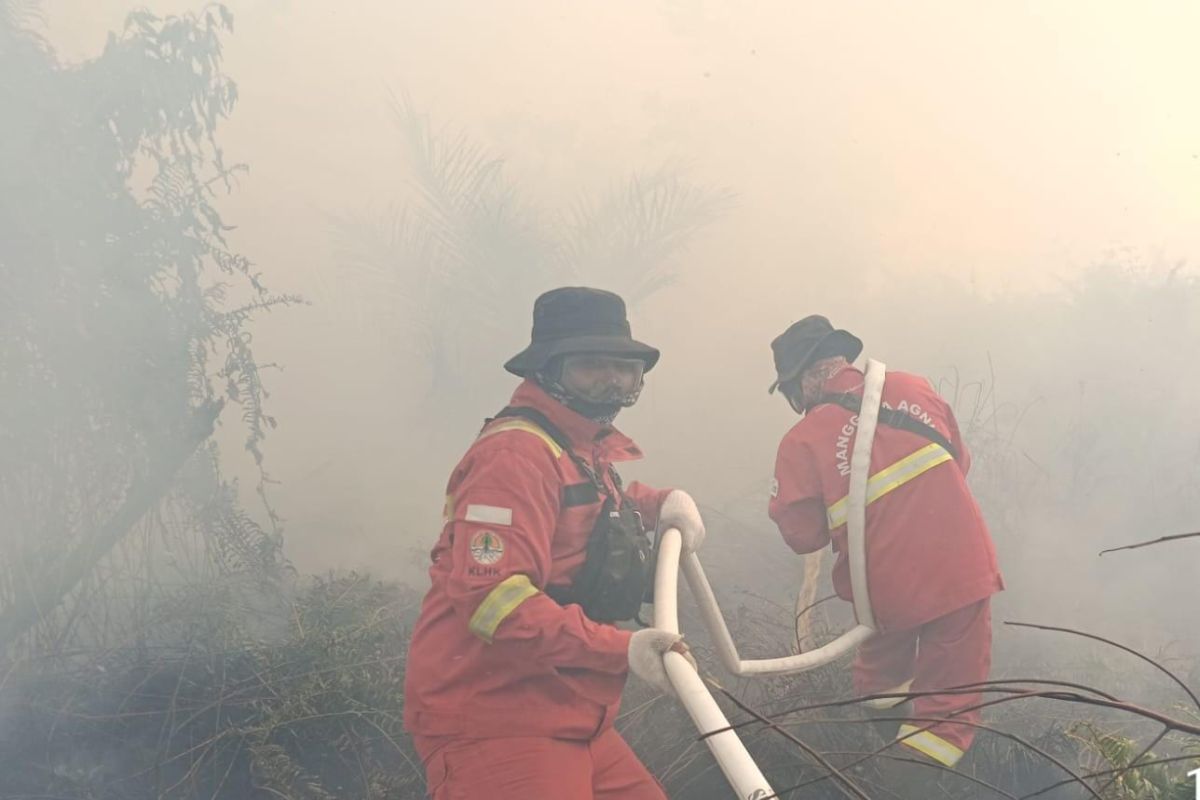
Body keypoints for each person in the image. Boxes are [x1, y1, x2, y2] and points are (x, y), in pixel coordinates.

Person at [404, 286, 705, 799]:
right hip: (495, 720)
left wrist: (658, 503)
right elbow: (490, 599)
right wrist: (622, 648)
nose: (611, 379)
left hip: (570, 714)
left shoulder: (576, 447)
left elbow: (581, 511)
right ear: (547, 369)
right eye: (591, 364)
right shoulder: (515, 455)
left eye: (624, 367)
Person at [766, 315, 1004, 769]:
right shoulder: (914, 388)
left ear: (803, 381)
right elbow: (961, 461)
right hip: (962, 570)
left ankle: (883, 770)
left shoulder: (801, 440)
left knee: (879, 684)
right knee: (946, 709)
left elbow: (801, 536)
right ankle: (920, 773)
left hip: (882, 591)